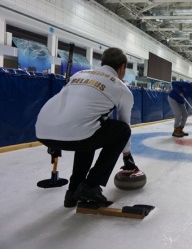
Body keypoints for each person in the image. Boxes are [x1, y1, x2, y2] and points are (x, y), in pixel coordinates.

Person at [35, 48, 141, 208]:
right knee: (120, 130)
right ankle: (91, 186)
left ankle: (73, 192)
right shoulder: (121, 88)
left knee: (88, 129)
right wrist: (127, 157)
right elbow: (125, 125)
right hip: (77, 134)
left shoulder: (79, 75)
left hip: (43, 131)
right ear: (122, 67)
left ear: (101, 63)